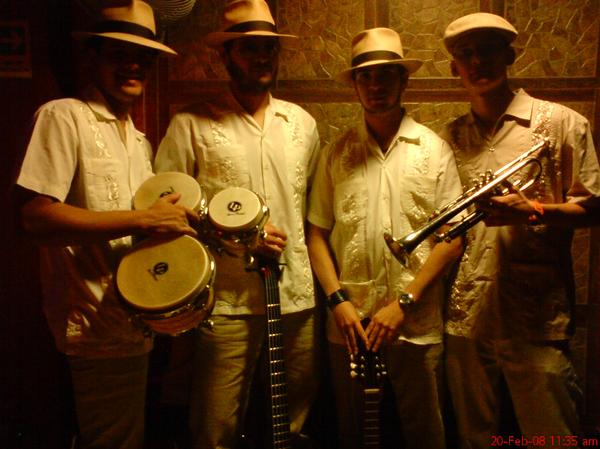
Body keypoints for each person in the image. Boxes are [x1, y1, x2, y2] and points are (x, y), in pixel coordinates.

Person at [13, 2, 199, 449]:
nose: (133, 65)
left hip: (133, 322)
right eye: (119, 53)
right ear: (91, 56)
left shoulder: (138, 139)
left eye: (143, 57)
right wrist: (143, 217)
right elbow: (35, 218)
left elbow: (129, 228)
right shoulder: (63, 116)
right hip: (93, 325)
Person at [153, 1, 321, 448]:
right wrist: (237, 237)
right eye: (248, 48)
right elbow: (166, 213)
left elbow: (309, 209)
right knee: (215, 428)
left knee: (291, 425)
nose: (261, 57)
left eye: (268, 48)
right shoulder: (190, 124)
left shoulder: (302, 124)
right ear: (225, 55)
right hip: (226, 302)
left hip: (296, 298)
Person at [440, 12, 600, 449]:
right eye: (466, 54)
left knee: (553, 438)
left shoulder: (563, 123)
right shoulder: (449, 137)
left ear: (509, 55)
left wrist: (534, 211)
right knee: (475, 439)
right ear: (454, 67)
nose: (477, 61)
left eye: (488, 50)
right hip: (467, 318)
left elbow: (594, 207)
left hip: (537, 317)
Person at [306, 27, 465, 449]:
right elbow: (316, 234)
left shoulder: (433, 149)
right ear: (355, 84)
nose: (375, 85)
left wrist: (403, 303)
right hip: (350, 325)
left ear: (403, 79)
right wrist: (338, 302)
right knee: (354, 434)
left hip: (416, 323)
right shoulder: (336, 151)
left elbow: (452, 239)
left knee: (426, 435)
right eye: (366, 76)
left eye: (385, 75)